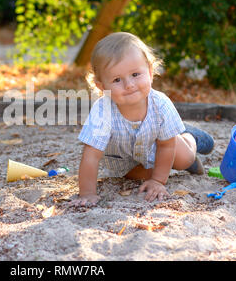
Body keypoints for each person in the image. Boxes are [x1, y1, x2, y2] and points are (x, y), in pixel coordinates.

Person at [72, 32, 214, 206]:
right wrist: (87, 193)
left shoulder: (159, 104)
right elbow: (91, 156)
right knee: (136, 175)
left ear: (150, 71)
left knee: (184, 159)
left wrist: (158, 182)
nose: (129, 85)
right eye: (117, 79)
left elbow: (166, 146)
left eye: (135, 74)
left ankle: (191, 136)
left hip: (163, 143)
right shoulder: (102, 111)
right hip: (126, 160)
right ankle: (172, 135)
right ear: (101, 87)